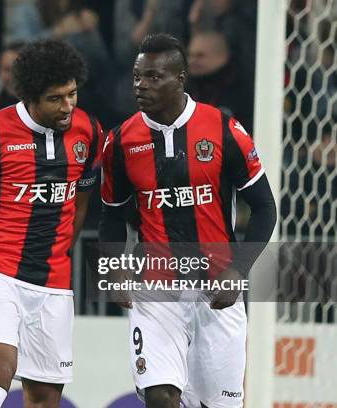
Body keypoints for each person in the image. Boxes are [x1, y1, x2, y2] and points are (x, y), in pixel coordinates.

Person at [99, 34, 276, 408]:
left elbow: (264, 209)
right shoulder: (121, 141)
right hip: (156, 290)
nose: (140, 86)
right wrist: (114, 269)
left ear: (180, 78)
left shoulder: (224, 130)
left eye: (153, 77)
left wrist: (237, 271)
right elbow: (112, 214)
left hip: (217, 293)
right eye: (136, 77)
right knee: (160, 396)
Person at [0, 39, 103, 408]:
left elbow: (79, 203)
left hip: (53, 284)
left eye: (73, 94)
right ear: (30, 97)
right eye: (56, 98)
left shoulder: (90, 132)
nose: (67, 106)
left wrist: (60, 253)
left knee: (45, 398)